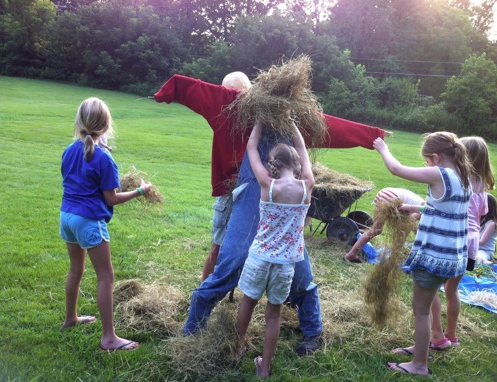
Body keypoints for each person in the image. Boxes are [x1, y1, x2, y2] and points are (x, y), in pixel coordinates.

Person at [154, 67, 387, 355]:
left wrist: (372, 136)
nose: (236, 97)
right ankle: (192, 328)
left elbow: (331, 126)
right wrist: (170, 90)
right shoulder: (233, 108)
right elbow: (198, 90)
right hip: (251, 193)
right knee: (232, 261)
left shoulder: (295, 115)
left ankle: (313, 332)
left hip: (284, 208)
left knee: (300, 272)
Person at [373, 132, 472, 376]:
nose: (426, 166)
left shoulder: (439, 173)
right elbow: (443, 208)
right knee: (426, 305)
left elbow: (396, 169)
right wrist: (414, 207)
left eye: (427, 161)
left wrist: (382, 148)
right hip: (453, 258)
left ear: (436, 158)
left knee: (421, 309)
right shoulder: (465, 176)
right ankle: (421, 348)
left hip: (433, 257)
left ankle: (419, 364)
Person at [60, 97, 152, 352]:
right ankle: (109, 337)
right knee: (106, 276)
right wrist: (140, 192)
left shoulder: (69, 150)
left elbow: (76, 178)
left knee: (75, 270)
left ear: (79, 122)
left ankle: (70, 318)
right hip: (88, 220)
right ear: (106, 124)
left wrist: (102, 148)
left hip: (66, 217)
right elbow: (111, 197)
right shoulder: (104, 159)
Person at [237, 118, 314, 378]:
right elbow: (302, 148)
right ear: (297, 165)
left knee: (247, 303)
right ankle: (265, 367)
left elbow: (251, 148)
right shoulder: (307, 187)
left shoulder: (267, 185)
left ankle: (236, 348)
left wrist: (258, 122)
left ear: (273, 163)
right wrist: (292, 124)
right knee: (274, 315)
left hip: (259, 257)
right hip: (285, 264)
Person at [430, 136, 494, 350]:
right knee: (452, 291)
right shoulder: (482, 186)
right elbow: (483, 213)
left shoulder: (458, 181)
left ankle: (437, 335)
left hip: (455, 239)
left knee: (430, 288)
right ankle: (452, 334)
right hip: (472, 246)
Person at [202, 72, 252, 282]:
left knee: (245, 248)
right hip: (228, 194)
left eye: (235, 93)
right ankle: (203, 292)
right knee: (218, 246)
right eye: (226, 93)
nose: (231, 98)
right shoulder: (222, 118)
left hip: (251, 195)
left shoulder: (259, 117)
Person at [344, 188, 425, 263]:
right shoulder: (424, 213)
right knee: (378, 230)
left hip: (384, 193)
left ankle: (351, 254)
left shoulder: (424, 207)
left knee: (375, 230)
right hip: (392, 197)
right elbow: (406, 227)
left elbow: (414, 226)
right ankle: (393, 258)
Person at [477, 193, 497, 264]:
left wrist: (468, 240)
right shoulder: (480, 220)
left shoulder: (491, 224)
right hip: (476, 248)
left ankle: (493, 265)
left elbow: (482, 242)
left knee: (476, 259)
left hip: (485, 251)